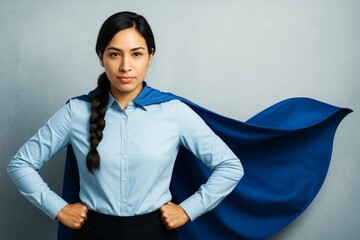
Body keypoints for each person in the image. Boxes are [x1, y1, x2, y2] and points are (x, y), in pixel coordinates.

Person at [7, 11, 244, 240]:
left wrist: (187, 210)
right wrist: (57, 208)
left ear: (151, 56)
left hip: (155, 232)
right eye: (115, 54)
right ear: (101, 57)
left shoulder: (174, 112)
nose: (125, 66)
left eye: (137, 54)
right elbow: (21, 164)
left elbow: (230, 166)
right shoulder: (76, 112)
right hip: (93, 232)